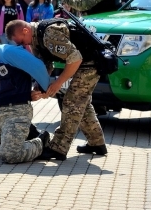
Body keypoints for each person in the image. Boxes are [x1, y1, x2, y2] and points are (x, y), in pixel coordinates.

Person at [6, 19, 107, 160]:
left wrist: (58, 83)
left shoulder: (49, 34)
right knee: (81, 103)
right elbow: (45, 65)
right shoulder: (36, 38)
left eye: (22, 41)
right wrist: (39, 86)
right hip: (82, 63)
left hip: (90, 63)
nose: (24, 45)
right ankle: (97, 143)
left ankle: (58, 148)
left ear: (25, 30)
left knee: (72, 103)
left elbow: (75, 58)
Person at [0, 40, 51, 163]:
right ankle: (16, 136)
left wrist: (42, 88)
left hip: (18, 110)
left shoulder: (9, 52)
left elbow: (37, 66)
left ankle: (40, 141)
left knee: (10, 155)